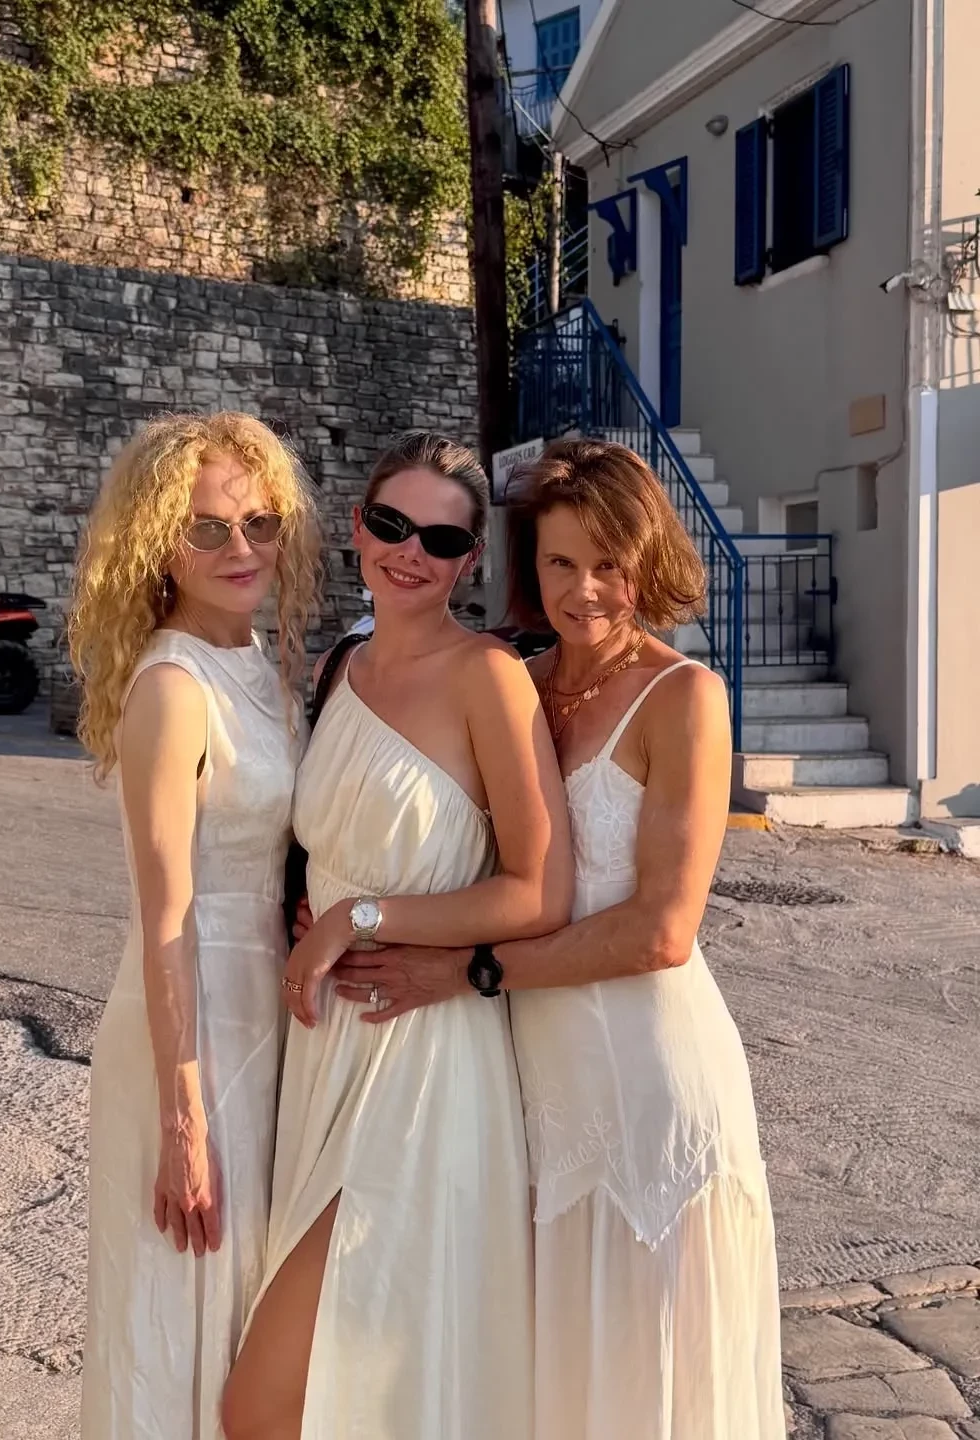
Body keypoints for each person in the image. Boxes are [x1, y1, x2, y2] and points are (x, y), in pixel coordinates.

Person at [336, 439, 786, 1440]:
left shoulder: (686, 698)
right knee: (547, 1388)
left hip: (649, 1089)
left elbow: (662, 931)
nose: (584, 590)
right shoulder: (515, 683)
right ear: (528, 565)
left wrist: (466, 972)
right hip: (533, 1089)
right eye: (560, 562)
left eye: (608, 563)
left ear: (648, 560)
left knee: (647, 1392)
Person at [221, 431, 573, 1440]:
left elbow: (540, 890)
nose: (410, 552)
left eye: (441, 538)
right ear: (357, 527)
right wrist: (310, 905)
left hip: (423, 1059)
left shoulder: (488, 678)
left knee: (269, 1403)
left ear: (470, 559)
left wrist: (358, 918)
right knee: (348, 1399)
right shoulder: (340, 665)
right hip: (323, 1052)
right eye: (391, 524)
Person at [69, 411, 321, 1439]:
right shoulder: (173, 688)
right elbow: (164, 913)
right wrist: (184, 1121)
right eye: (207, 529)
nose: (241, 548)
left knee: (247, 1305)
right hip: (191, 1025)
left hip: (264, 1009)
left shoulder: (259, 665)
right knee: (180, 1302)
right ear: (158, 546)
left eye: (260, 524)